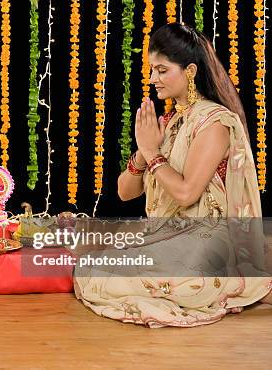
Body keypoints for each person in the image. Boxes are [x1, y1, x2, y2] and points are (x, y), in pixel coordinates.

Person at [74, 23, 272, 327]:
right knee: (93, 266)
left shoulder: (214, 122)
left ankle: (236, 285)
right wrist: (142, 153)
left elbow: (186, 193)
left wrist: (153, 153)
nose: (153, 78)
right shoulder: (169, 121)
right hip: (167, 236)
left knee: (114, 276)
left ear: (190, 71)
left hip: (206, 243)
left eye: (162, 70)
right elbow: (125, 193)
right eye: (153, 69)